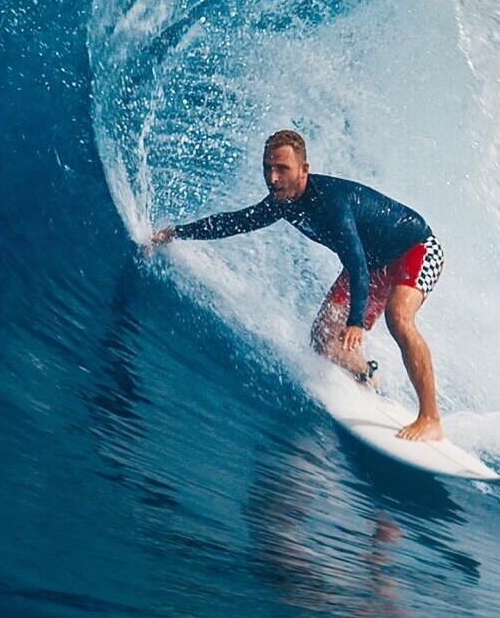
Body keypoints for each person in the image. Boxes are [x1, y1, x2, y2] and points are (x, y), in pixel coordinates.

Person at [145, 130, 449, 441]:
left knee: (397, 317)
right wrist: (176, 233)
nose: (273, 178)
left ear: (304, 169)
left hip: (415, 248)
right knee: (323, 339)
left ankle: (430, 418)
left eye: (282, 169)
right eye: (268, 168)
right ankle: (366, 374)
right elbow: (234, 222)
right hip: (373, 262)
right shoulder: (282, 202)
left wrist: (356, 321)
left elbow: (355, 262)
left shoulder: (332, 203)